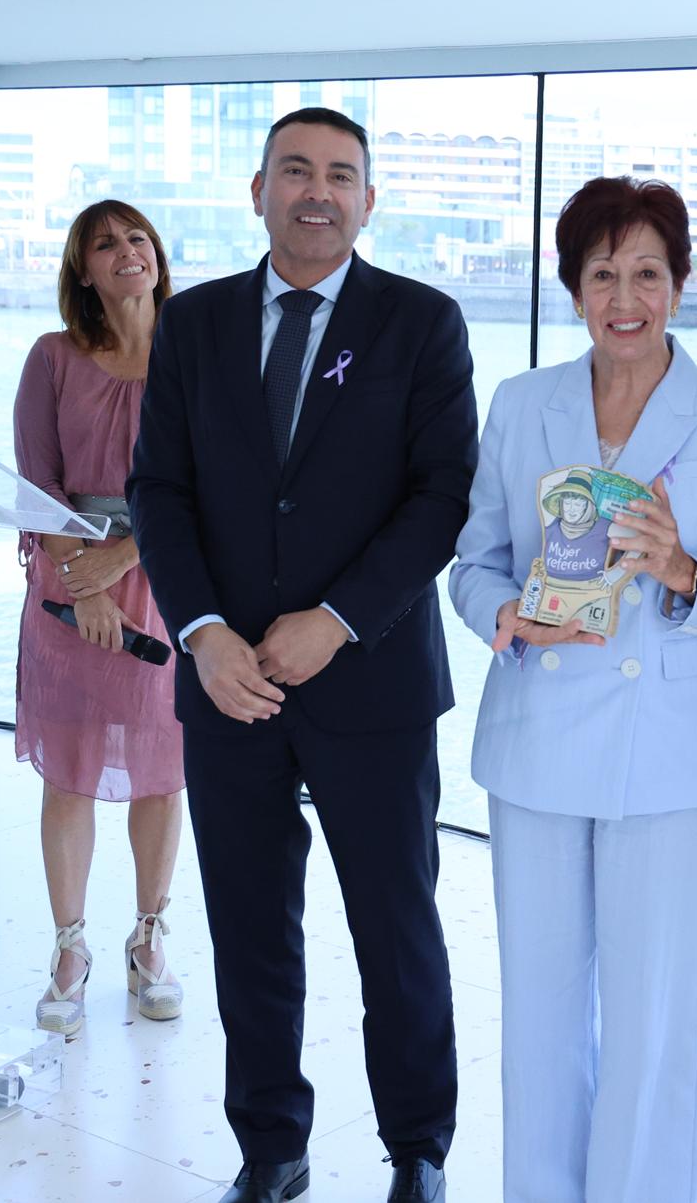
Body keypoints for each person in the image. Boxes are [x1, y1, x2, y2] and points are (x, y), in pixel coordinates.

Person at [127, 107, 474, 1203]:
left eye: (340, 175)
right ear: (258, 190)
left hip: (367, 680)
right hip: (226, 686)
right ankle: (270, 1147)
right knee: (248, 930)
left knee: (395, 928)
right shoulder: (194, 326)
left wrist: (339, 617)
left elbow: (440, 500)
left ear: (369, 200)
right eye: (295, 171)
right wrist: (201, 630)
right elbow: (159, 493)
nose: (317, 191)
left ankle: (417, 1149)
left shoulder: (423, 322)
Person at [449, 176, 697, 1202]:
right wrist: (507, 618)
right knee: (539, 1016)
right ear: (573, 288)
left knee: (655, 1023)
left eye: (646, 270)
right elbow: (472, 562)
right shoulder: (521, 403)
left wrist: (682, 572)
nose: (623, 294)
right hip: (537, 739)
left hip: (670, 757)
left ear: (678, 286)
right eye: (602, 272)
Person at [14, 199, 185, 1040]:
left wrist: (126, 560)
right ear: (82, 269)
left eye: (137, 237)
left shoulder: (197, 359)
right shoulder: (51, 358)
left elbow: (214, 487)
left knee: (162, 770)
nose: (126, 251)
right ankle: (70, 948)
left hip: (167, 583)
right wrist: (83, 585)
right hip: (66, 582)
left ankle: (149, 937)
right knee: (70, 772)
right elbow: (35, 483)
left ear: (157, 254)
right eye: (105, 243)